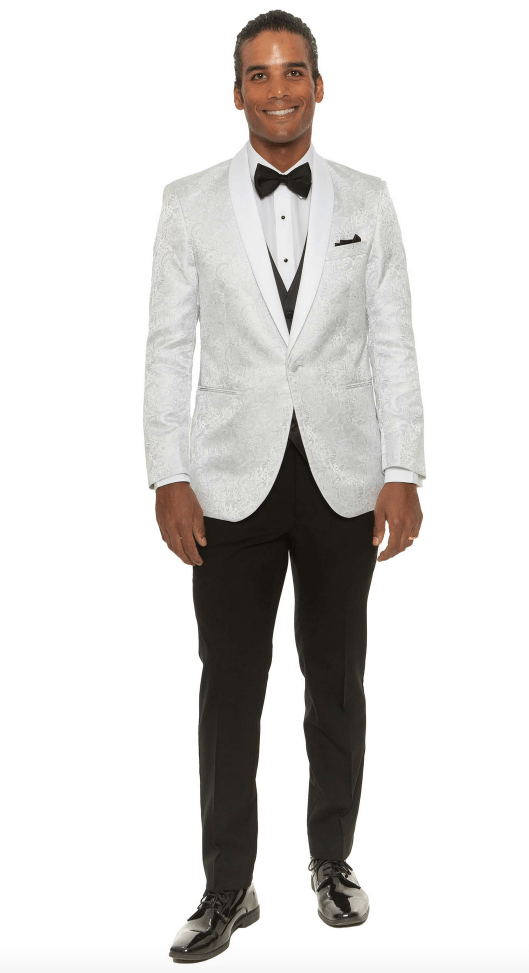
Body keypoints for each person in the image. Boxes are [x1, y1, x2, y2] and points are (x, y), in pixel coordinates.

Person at [143, 9, 425, 964]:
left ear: (318, 84)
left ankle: (331, 860)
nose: (277, 90)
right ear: (236, 93)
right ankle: (228, 885)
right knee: (230, 687)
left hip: (344, 478)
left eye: (292, 71)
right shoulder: (187, 203)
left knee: (335, 680)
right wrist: (168, 472)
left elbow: (394, 343)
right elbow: (167, 346)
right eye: (258, 75)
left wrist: (402, 469)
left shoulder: (368, 200)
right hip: (229, 479)